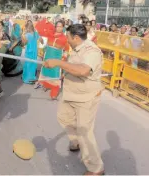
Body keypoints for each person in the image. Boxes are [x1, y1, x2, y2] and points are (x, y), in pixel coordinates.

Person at [43, 24, 104, 175]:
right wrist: (65, 74)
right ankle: (75, 141)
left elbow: (83, 70)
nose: (66, 39)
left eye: (68, 37)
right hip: (71, 93)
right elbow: (74, 66)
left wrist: (58, 63)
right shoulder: (77, 48)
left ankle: (96, 168)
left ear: (76, 38)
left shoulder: (92, 51)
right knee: (63, 118)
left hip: (86, 97)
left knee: (85, 132)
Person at [39, 20, 69, 100]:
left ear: (63, 27)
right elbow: (46, 45)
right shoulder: (50, 35)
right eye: (57, 26)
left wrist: (63, 58)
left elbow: (66, 50)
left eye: (60, 26)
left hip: (57, 58)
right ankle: (46, 85)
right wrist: (43, 52)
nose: (58, 28)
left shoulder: (65, 38)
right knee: (46, 71)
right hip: (47, 56)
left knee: (55, 74)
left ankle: (54, 93)